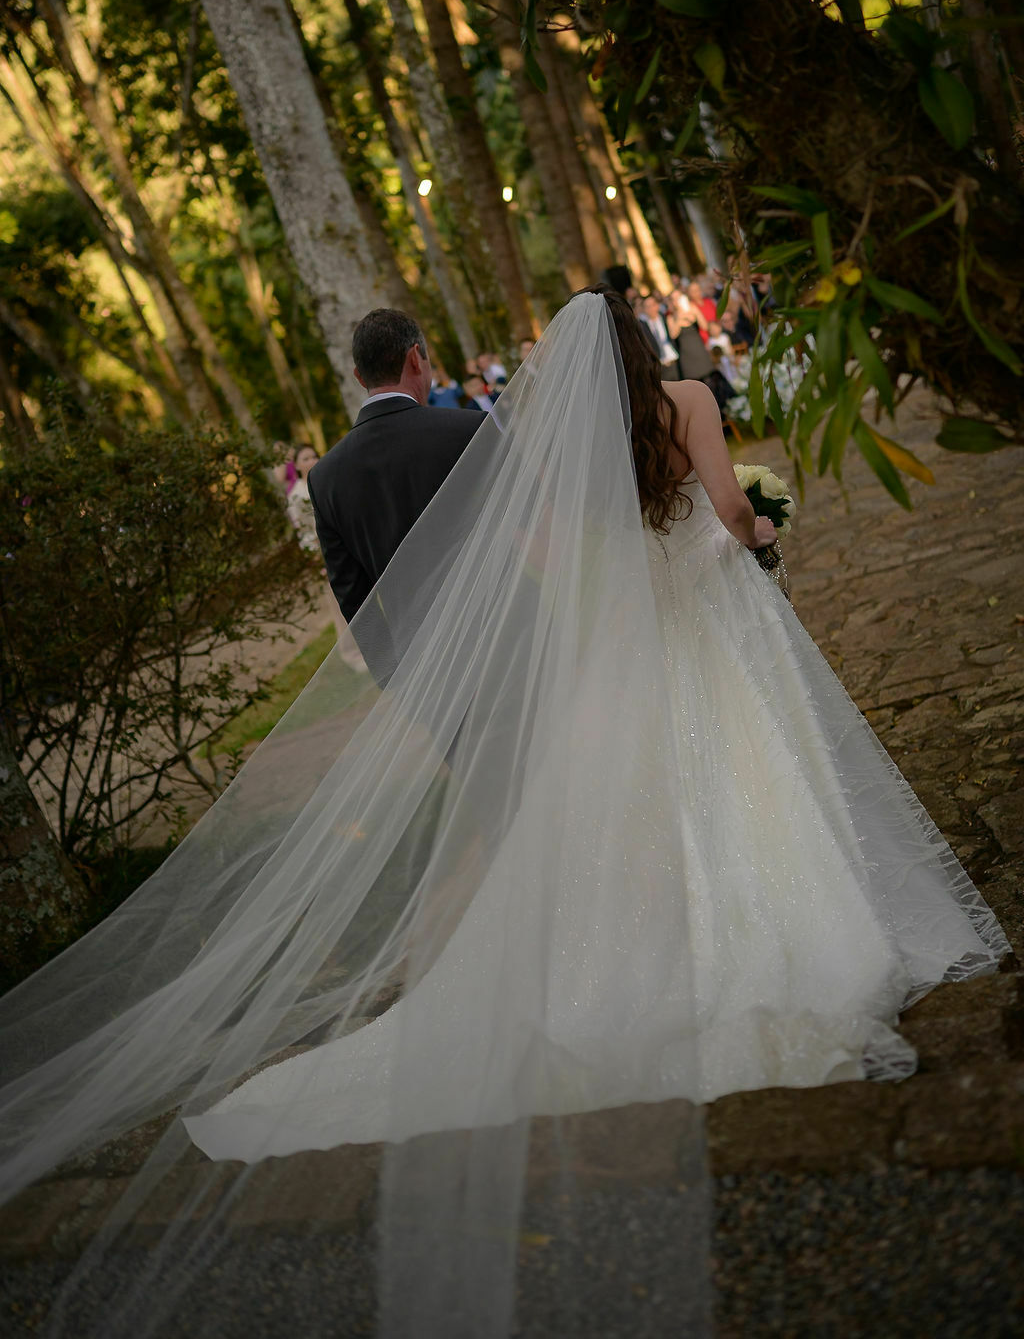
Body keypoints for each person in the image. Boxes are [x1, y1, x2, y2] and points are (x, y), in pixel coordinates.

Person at [0, 291, 1007, 1339]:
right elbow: (724, 513)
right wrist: (759, 520)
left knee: (632, 805)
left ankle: (630, 946)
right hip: (698, 620)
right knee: (752, 770)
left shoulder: (468, 456)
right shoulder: (668, 405)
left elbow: (487, 570)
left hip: (601, 655)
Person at [307, 307, 485, 636]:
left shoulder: (323, 478)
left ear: (359, 377)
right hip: (503, 630)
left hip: (421, 663)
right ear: (416, 358)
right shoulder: (470, 430)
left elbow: (354, 599)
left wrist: (396, 678)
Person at [284, 441, 319, 552]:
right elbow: (302, 529)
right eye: (306, 459)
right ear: (296, 465)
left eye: (314, 457)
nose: (312, 461)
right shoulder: (295, 495)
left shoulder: (330, 482)